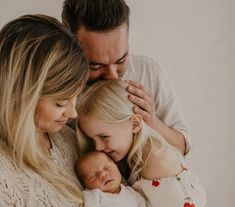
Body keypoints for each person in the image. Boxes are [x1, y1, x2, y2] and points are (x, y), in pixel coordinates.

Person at [0, 15, 158, 207]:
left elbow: (124, 202)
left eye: (75, 97)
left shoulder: (68, 141)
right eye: (61, 102)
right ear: (21, 96)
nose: (72, 113)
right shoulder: (6, 179)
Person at [76, 79, 223, 207]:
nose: (98, 147)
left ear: (135, 123)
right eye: (93, 140)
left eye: (104, 137)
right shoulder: (131, 156)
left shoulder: (156, 162)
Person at [62, 0, 191, 158]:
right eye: (95, 66)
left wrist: (152, 122)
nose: (113, 75)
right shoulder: (58, 87)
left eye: (121, 60)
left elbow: (182, 149)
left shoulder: (148, 71)